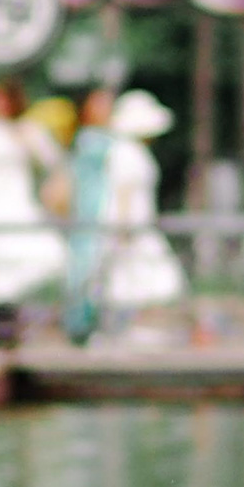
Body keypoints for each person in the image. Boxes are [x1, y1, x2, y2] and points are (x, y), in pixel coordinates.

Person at [0, 80, 66, 344]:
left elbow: (54, 164)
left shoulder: (29, 130)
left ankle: (22, 324)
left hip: (19, 205)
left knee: (40, 262)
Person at [102, 89, 187, 318]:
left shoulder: (135, 151)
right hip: (131, 228)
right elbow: (123, 194)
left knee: (154, 283)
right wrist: (122, 229)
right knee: (139, 282)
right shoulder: (125, 152)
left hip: (142, 225)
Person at [63, 86, 116, 344]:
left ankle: (95, 326)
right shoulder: (88, 139)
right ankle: (81, 327)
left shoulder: (110, 139)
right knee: (84, 270)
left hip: (103, 208)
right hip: (88, 210)